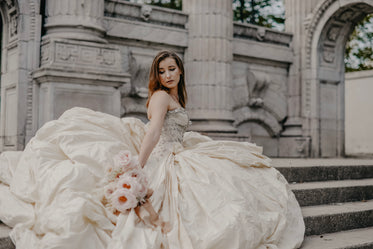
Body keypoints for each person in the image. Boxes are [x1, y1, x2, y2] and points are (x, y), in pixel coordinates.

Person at [0, 50, 305, 249]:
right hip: (165, 155)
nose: (168, 75)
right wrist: (138, 164)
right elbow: (155, 131)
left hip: (180, 150)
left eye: (172, 69)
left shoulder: (175, 97)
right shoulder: (160, 97)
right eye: (162, 71)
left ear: (180, 71)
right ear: (157, 76)